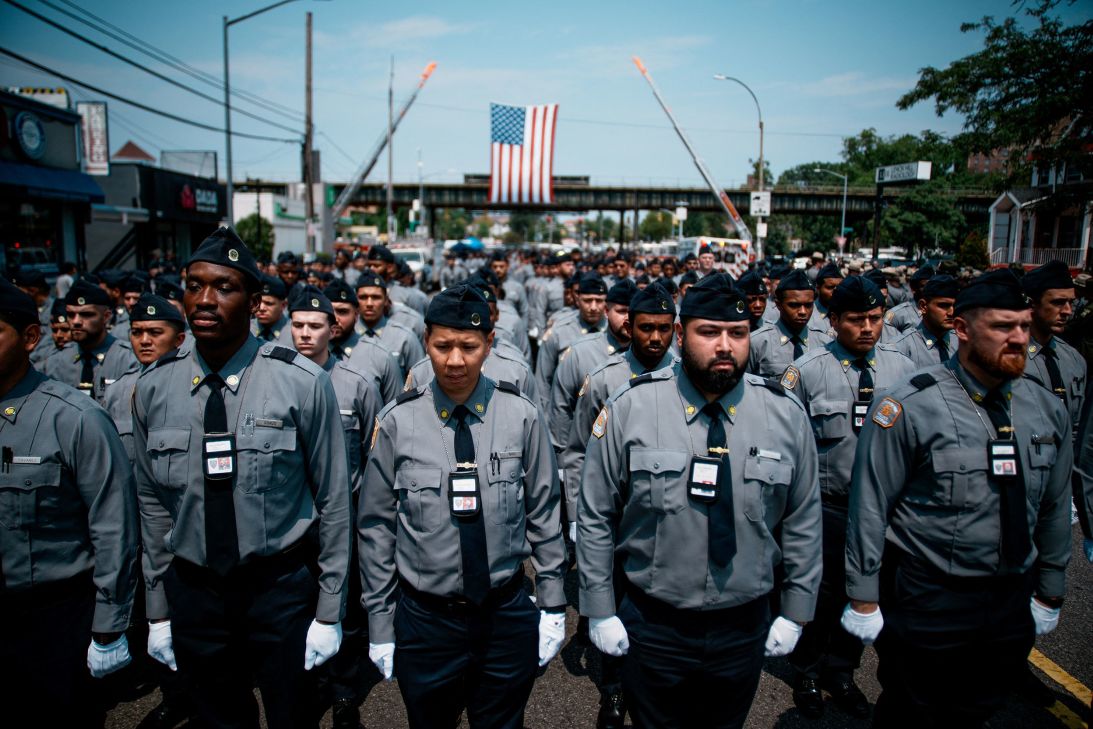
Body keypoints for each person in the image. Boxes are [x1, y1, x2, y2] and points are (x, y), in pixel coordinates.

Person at [578, 273, 822, 729]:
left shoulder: (785, 415)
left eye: (738, 333)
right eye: (709, 333)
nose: (725, 345)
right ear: (681, 334)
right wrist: (600, 607)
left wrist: (797, 610)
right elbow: (596, 514)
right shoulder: (631, 407)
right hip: (654, 621)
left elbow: (804, 519)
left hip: (743, 623)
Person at [132, 228, 352, 729]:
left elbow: (335, 500)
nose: (206, 299)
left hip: (278, 590)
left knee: (291, 715)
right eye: (194, 285)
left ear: (255, 302)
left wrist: (330, 608)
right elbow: (152, 504)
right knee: (217, 719)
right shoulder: (154, 387)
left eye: (224, 287)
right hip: (195, 591)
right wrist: (159, 608)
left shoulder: (301, 382)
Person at [843, 269, 1074, 728]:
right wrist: (863, 596)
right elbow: (870, 506)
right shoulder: (909, 405)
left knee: (979, 707)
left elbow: (1053, 505)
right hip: (931, 594)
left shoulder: (1045, 407)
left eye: (1024, 326)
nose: (1018, 339)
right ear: (964, 329)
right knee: (913, 709)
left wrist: (1051, 582)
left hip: (1010, 593)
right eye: (1002, 327)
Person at [359, 284, 567, 729]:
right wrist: (380, 619)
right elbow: (376, 526)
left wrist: (552, 603)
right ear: (425, 343)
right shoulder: (396, 422)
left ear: (489, 344)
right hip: (425, 619)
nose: (455, 361)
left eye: (469, 347)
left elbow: (545, 512)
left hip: (504, 612)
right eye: (442, 346)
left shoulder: (522, 416)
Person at [0, 277, 138, 728]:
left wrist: (108, 625)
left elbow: (113, 524)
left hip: (53, 618)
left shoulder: (74, 418)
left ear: (30, 338)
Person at [781, 276, 915, 719]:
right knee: (824, 595)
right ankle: (808, 671)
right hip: (829, 506)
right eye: (856, 320)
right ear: (833, 320)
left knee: (869, 591)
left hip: (887, 509)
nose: (867, 328)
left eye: (875, 319)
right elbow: (788, 445)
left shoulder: (901, 367)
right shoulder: (807, 371)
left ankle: (843, 670)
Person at [562, 282, 677, 729]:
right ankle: (612, 688)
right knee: (610, 602)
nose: (654, 338)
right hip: (613, 515)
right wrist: (576, 515)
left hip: (663, 515)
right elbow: (575, 450)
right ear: (630, 326)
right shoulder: (605, 378)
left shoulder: (687, 375)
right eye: (646, 328)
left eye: (664, 329)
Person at [289, 285, 382, 729]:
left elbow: (376, 457)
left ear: (335, 328)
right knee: (297, 610)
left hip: (345, 519)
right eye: (298, 325)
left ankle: (345, 692)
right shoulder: (277, 381)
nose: (305, 334)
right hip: (291, 522)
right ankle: (306, 686)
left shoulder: (356, 385)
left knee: (346, 610)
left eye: (315, 325)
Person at [100, 293, 191, 729]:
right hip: (130, 519)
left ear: (180, 338)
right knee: (144, 610)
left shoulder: (189, 387)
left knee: (180, 610)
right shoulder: (117, 393)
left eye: (156, 332)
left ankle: (183, 693)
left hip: (176, 523)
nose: (144, 341)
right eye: (137, 332)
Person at [548, 280, 635, 454]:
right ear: (607, 312)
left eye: (632, 313)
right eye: (621, 311)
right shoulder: (580, 352)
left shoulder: (655, 356)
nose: (627, 318)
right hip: (588, 453)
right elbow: (562, 406)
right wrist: (562, 456)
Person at [45, 279, 138, 404]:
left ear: (106, 317)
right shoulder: (57, 362)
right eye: (71, 315)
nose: (76, 321)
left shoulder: (128, 359)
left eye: (86, 314)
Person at [1021, 260, 1086, 431]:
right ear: (1032, 303)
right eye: (1058, 302)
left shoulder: (1074, 360)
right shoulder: (1010, 357)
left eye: (1070, 302)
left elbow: (1077, 426)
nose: (1067, 311)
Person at [536, 273, 611, 412]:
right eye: (588, 300)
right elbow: (543, 380)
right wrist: (546, 417)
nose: (594, 307)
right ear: (577, 300)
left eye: (599, 300)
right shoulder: (559, 331)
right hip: (567, 411)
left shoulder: (614, 331)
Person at [323, 278, 403, 404]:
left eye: (343, 312)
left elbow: (395, 411)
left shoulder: (380, 356)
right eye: (330, 313)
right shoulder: (309, 355)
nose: (336, 319)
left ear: (356, 315)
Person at [748, 269, 832, 378]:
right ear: (778, 305)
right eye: (794, 305)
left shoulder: (825, 344)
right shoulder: (757, 343)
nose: (802, 312)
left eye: (808, 305)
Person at [355, 273, 425, 373]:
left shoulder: (405, 338)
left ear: (386, 301)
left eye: (376, 297)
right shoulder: (346, 335)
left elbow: (420, 379)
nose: (369, 303)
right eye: (363, 297)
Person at [892, 275, 960, 369]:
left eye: (955, 305)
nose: (951, 312)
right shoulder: (902, 347)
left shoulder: (961, 342)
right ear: (923, 306)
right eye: (943, 305)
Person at [885, 266, 935, 334]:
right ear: (913, 288)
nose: (930, 290)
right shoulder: (897, 315)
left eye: (933, 286)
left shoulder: (938, 312)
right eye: (924, 286)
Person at [252, 274, 293, 345]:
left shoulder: (294, 333)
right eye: (257, 302)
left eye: (268, 303)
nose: (261, 308)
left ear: (283, 305)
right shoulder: (246, 330)